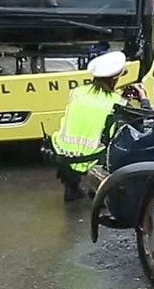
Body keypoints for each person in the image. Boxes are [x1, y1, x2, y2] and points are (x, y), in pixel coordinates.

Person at [52, 50, 146, 201]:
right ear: (114, 79)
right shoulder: (118, 103)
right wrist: (142, 98)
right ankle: (97, 190)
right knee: (120, 142)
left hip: (63, 153)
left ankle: (71, 188)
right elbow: (140, 124)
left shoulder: (76, 92)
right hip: (92, 158)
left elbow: (93, 107)